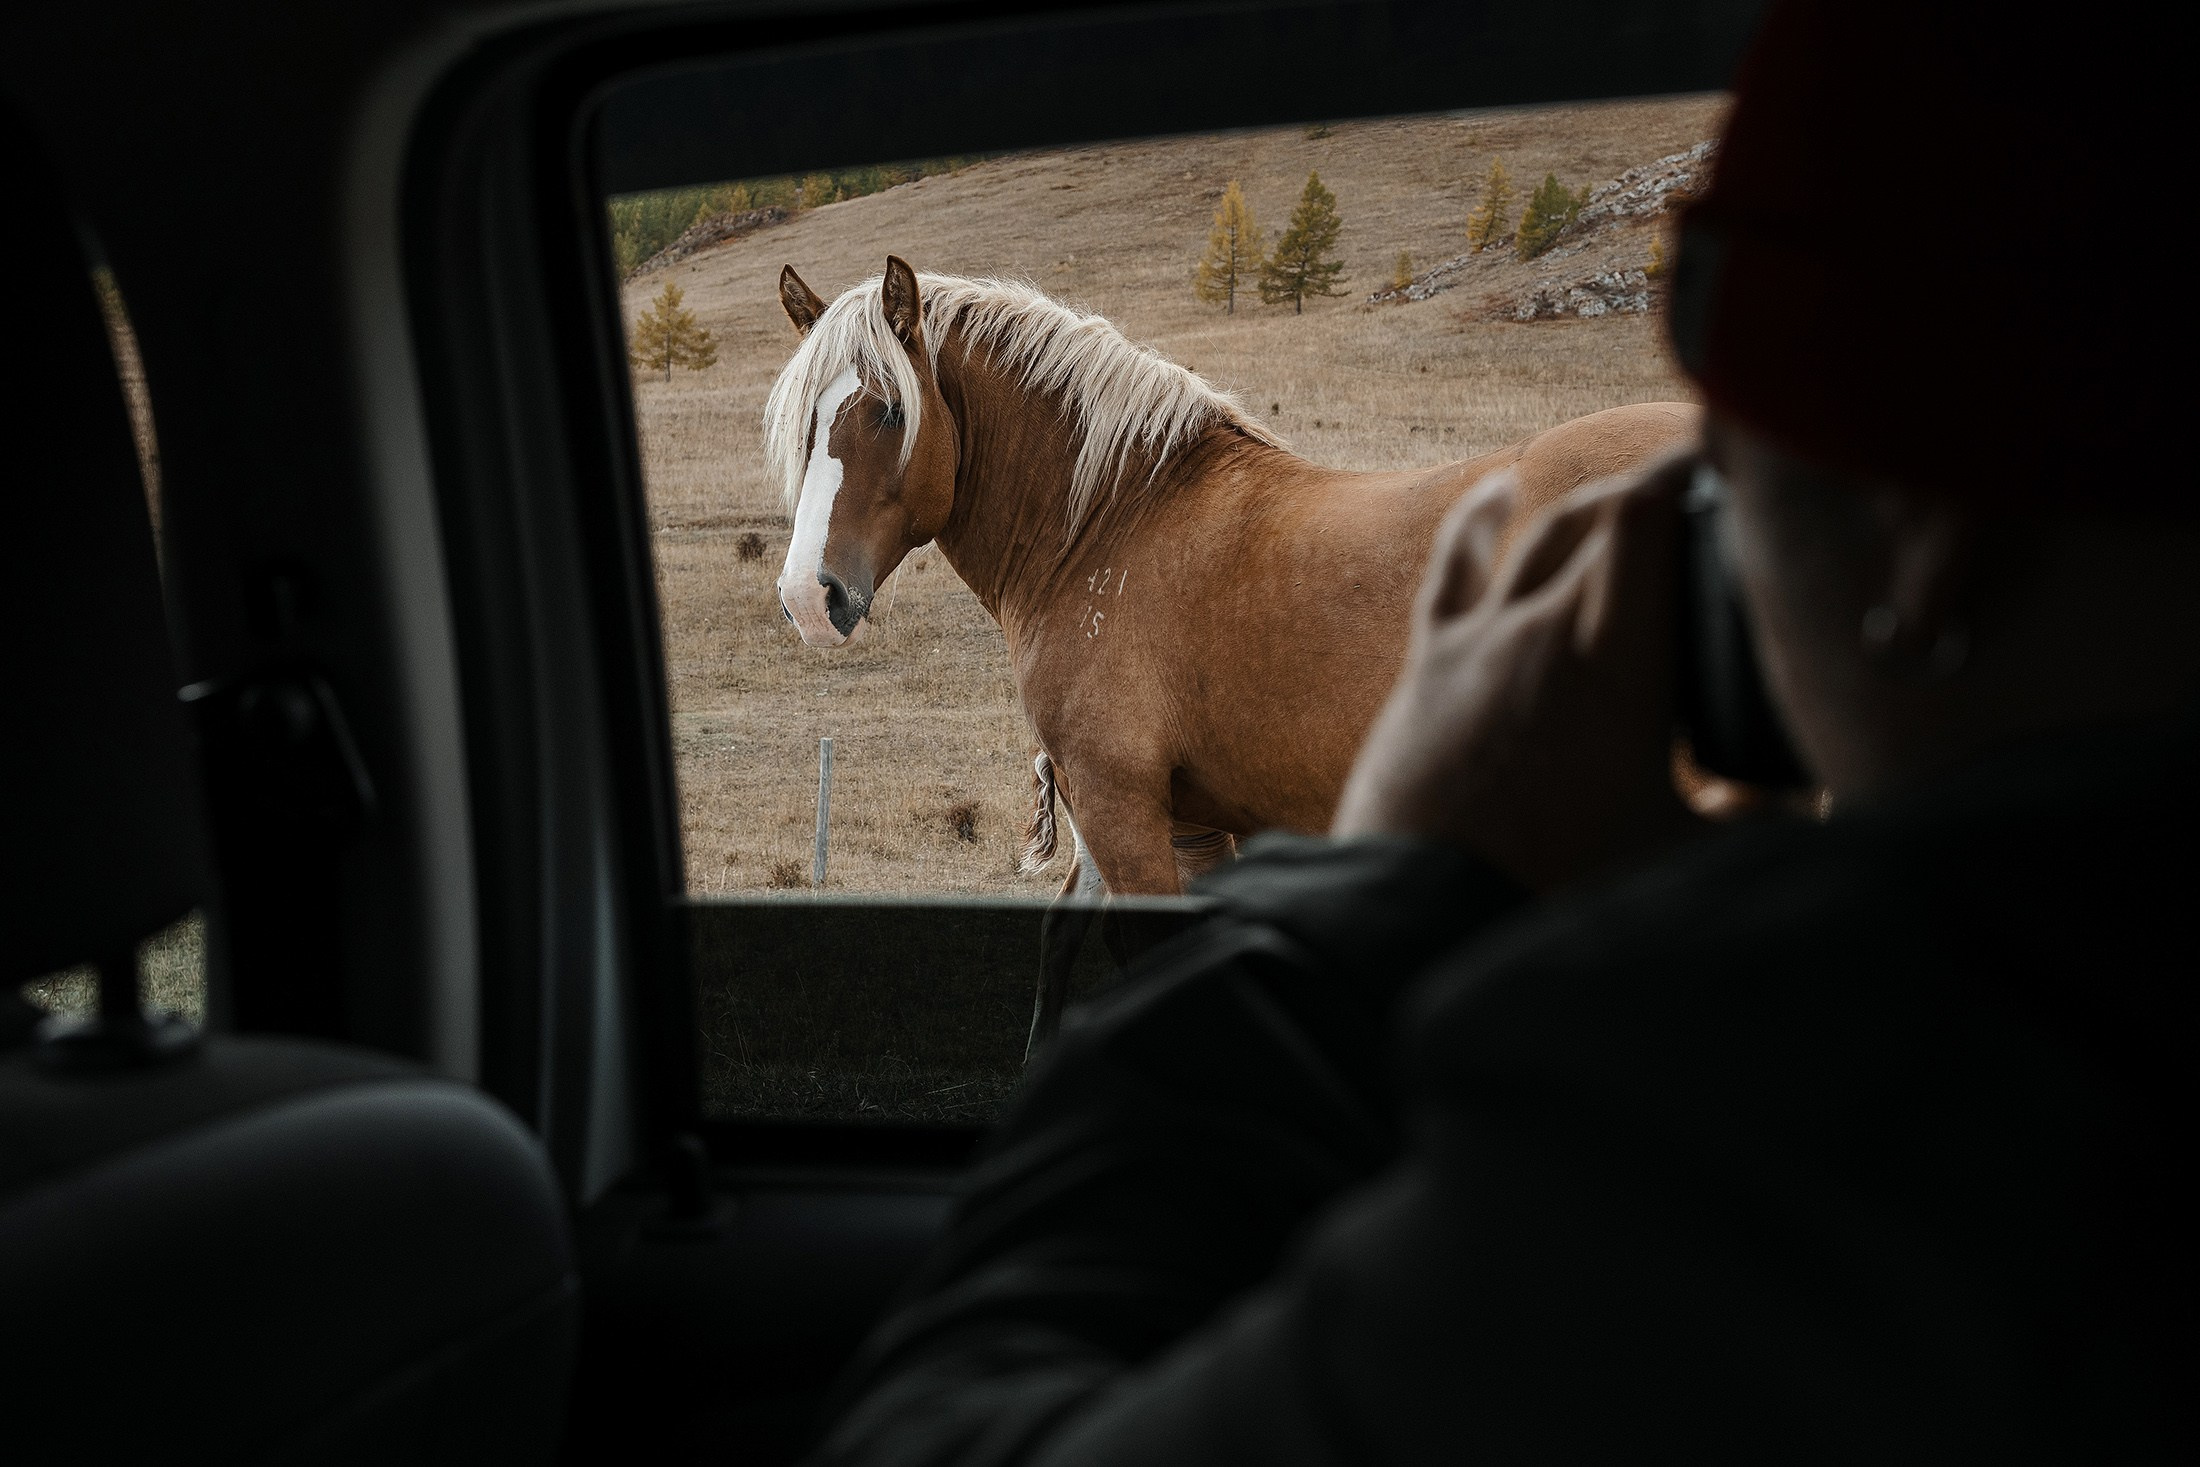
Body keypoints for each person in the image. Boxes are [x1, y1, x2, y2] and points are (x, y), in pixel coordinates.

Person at [811, 2, 2193, 1460]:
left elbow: (926, 1435)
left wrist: (1369, 911)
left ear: (1919, 538)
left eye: (1732, 480)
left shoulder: (1734, 1130)